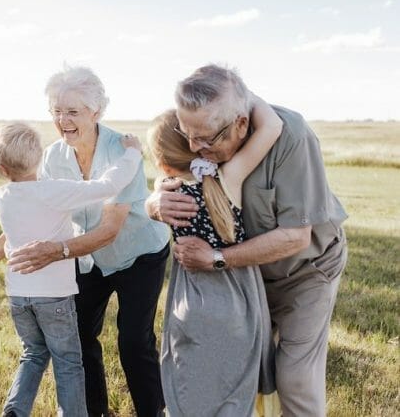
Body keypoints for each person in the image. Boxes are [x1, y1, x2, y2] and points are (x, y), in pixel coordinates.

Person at [145, 64, 348, 417]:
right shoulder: (212, 164)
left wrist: (215, 258)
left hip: (304, 271)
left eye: (207, 139)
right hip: (246, 282)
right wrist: (154, 203)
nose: (196, 149)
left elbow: (296, 237)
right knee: (249, 371)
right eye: (188, 136)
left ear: (241, 122)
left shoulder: (291, 137)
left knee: (295, 377)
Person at [0, 66, 170, 417]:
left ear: (97, 112)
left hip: (138, 255)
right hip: (87, 259)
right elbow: (30, 213)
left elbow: (110, 229)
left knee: (134, 342)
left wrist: (58, 251)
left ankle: (152, 412)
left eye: (73, 111)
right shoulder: (51, 157)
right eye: (57, 112)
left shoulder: (122, 151)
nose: (64, 120)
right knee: (80, 338)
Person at [0, 122, 143, 417]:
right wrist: (132, 154)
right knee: (68, 362)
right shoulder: (52, 191)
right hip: (54, 298)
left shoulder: (2, 196)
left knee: (32, 354)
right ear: (40, 159)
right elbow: (106, 186)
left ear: (2, 169)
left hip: (19, 296)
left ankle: (16, 410)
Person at [147, 107, 282, 417]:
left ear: (163, 165)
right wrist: (236, 95)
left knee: (192, 390)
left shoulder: (169, 193)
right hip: (238, 304)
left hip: (192, 306)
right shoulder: (228, 178)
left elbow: (165, 178)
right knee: (234, 395)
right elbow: (271, 126)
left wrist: (155, 187)